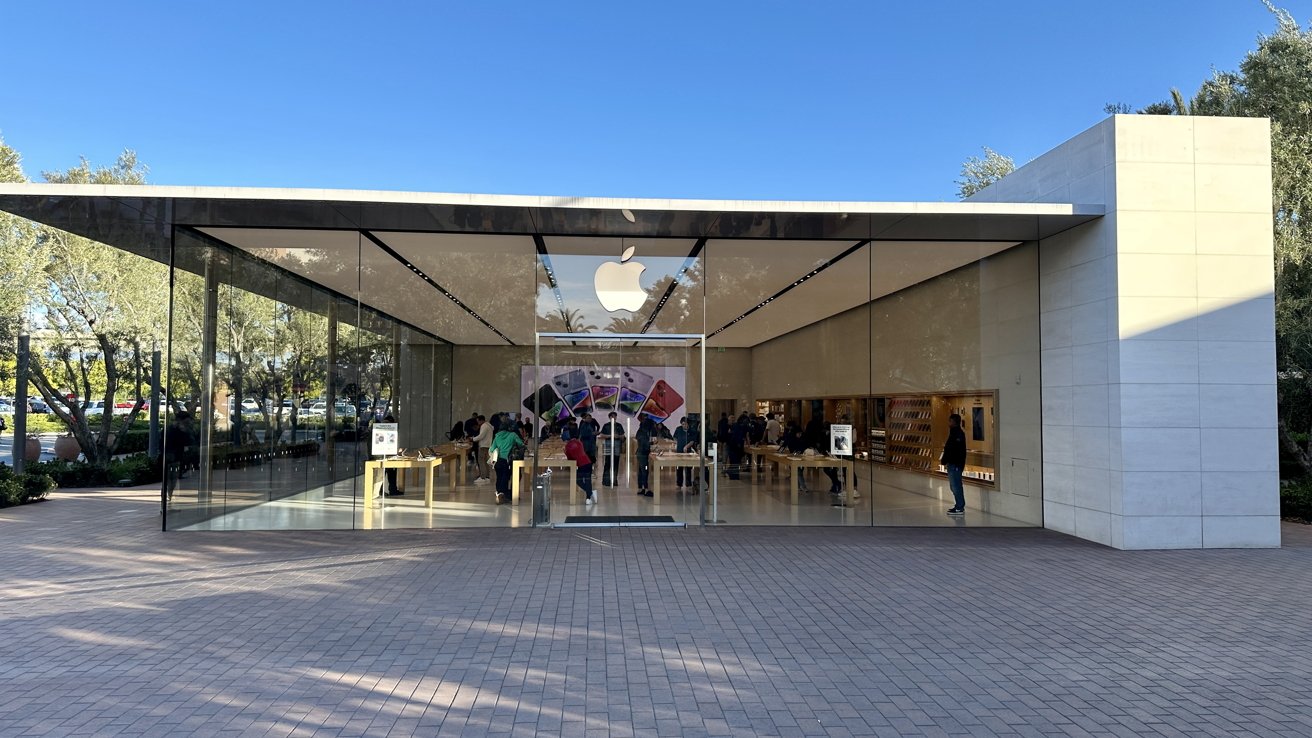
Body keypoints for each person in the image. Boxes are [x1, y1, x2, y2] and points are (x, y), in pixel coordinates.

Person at [489, 421, 526, 504]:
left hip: (498, 460)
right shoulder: (512, 435)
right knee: (507, 477)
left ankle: (499, 493)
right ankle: (506, 495)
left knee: (499, 477)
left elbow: (491, 449)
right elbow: (521, 444)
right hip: (508, 460)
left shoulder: (497, 436)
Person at [163, 411, 194, 502]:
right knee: (169, 478)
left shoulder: (180, 429)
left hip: (175, 456)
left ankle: (169, 497)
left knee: (173, 479)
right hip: (171, 456)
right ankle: (167, 497)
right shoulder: (172, 429)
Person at [942, 412, 967, 515]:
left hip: (955, 464)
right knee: (954, 486)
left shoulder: (958, 434)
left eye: (950, 421)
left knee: (956, 485)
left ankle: (960, 507)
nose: (948, 423)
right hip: (952, 463)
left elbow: (955, 450)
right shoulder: (954, 433)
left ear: (953, 422)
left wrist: (949, 460)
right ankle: (958, 505)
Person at [564, 433, 595, 505]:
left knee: (578, 481)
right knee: (588, 480)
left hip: (581, 465)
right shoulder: (579, 442)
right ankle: (588, 496)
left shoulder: (568, 447)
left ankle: (590, 494)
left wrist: (565, 453)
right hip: (587, 462)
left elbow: (570, 459)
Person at [599, 411, 625, 487]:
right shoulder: (606, 425)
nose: (614, 418)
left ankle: (614, 480)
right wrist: (611, 436)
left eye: (615, 416)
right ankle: (606, 480)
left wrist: (619, 436)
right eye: (612, 416)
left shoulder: (619, 425)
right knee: (607, 463)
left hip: (617, 446)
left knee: (616, 464)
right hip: (608, 445)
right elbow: (602, 435)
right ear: (609, 417)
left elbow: (623, 436)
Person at [381, 413, 401, 495]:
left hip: (387, 455)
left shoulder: (379, 430)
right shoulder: (390, 431)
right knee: (390, 474)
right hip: (388, 455)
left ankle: (389, 490)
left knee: (384, 474)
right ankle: (392, 490)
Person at [635, 417, 655, 497]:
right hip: (643, 454)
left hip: (640, 454)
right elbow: (646, 444)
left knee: (641, 471)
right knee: (645, 471)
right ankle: (646, 489)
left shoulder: (640, 431)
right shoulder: (644, 433)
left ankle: (641, 488)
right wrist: (651, 444)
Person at [471, 414, 493, 485]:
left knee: (481, 461)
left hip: (483, 445)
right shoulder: (489, 425)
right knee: (486, 462)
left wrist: (473, 439)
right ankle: (487, 477)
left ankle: (483, 477)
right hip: (488, 445)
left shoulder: (484, 426)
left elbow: (481, 436)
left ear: (481, 420)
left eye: (478, 421)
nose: (478, 423)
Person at [673, 416, 693, 492]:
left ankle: (688, 484)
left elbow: (692, 441)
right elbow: (674, 438)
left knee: (688, 468)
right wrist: (676, 443)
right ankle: (679, 484)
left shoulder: (691, 430)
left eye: (686, 424)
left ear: (688, 424)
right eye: (683, 424)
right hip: (679, 451)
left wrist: (687, 446)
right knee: (679, 468)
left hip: (688, 452)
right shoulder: (678, 429)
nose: (684, 425)